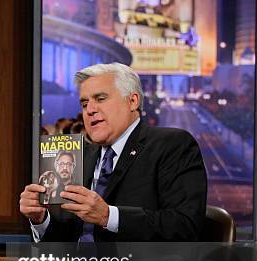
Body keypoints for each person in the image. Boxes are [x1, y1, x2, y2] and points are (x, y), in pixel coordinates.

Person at [20, 63, 207, 242]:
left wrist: (108, 217)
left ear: (132, 101)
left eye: (100, 99)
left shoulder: (172, 145)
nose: (90, 110)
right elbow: (70, 238)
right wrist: (40, 220)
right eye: (84, 104)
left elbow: (185, 226)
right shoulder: (82, 156)